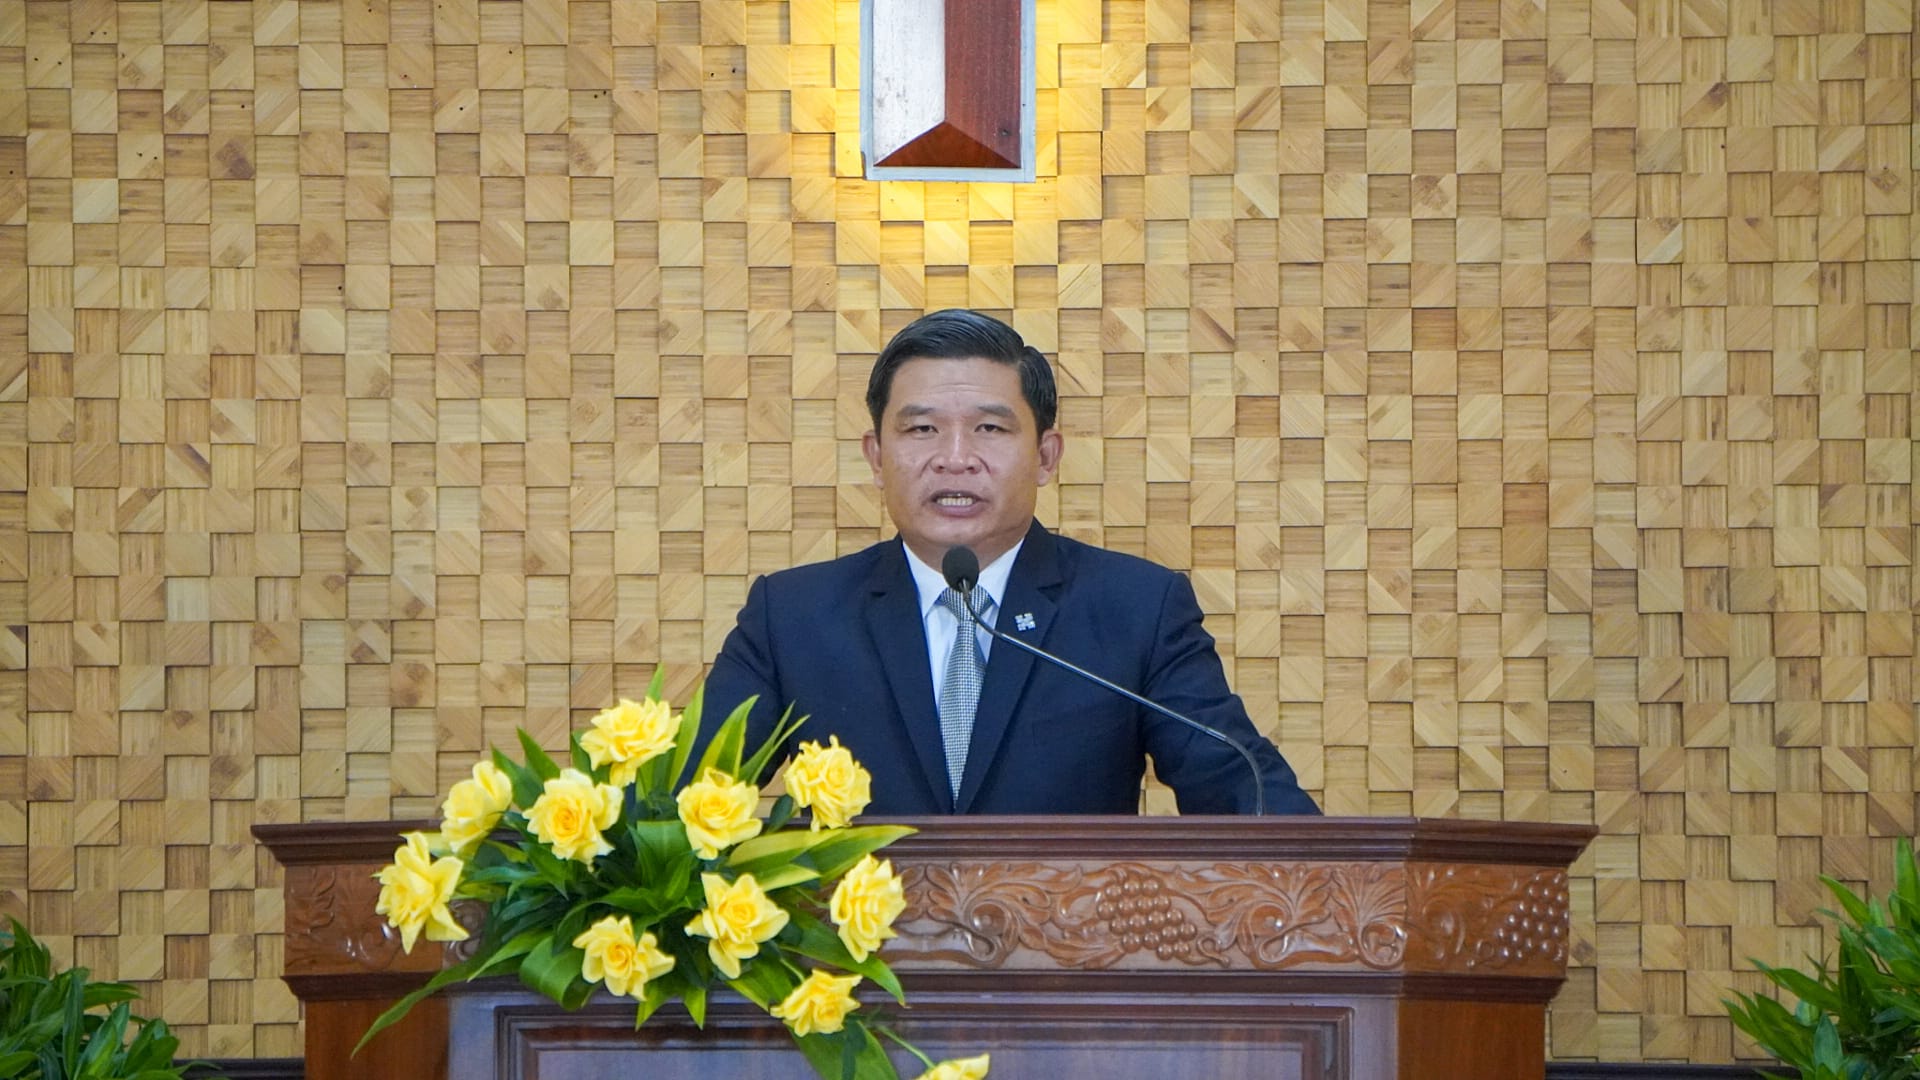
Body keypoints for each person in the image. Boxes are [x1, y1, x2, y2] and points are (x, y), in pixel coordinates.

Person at [697, 309, 1320, 815]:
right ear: (877, 456)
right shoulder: (793, 617)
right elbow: (684, 805)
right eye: (921, 430)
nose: (955, 458)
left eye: (990, 429)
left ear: (1046, 457)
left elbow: (1247, 796)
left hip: (1070, 937)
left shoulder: (1135, 609)